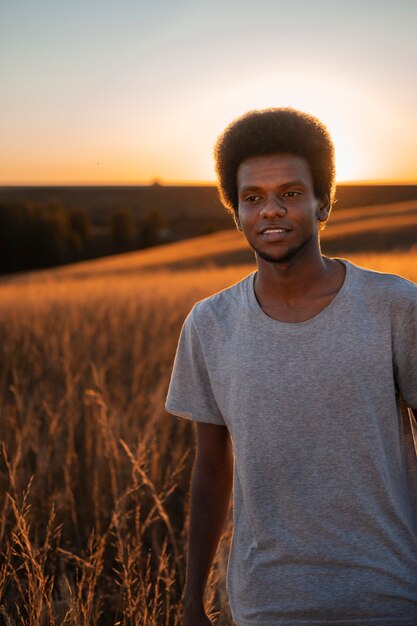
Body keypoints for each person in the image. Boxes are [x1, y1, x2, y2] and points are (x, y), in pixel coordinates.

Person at [165, 108, 417, 626]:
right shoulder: (210, 324)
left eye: (291, 193)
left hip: (390, 593)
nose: (271, 211)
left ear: (323, 203)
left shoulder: (393, 305)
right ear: (235, 211)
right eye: (252, 198)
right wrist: (192, 599)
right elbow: (211, 471)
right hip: (268, 602)